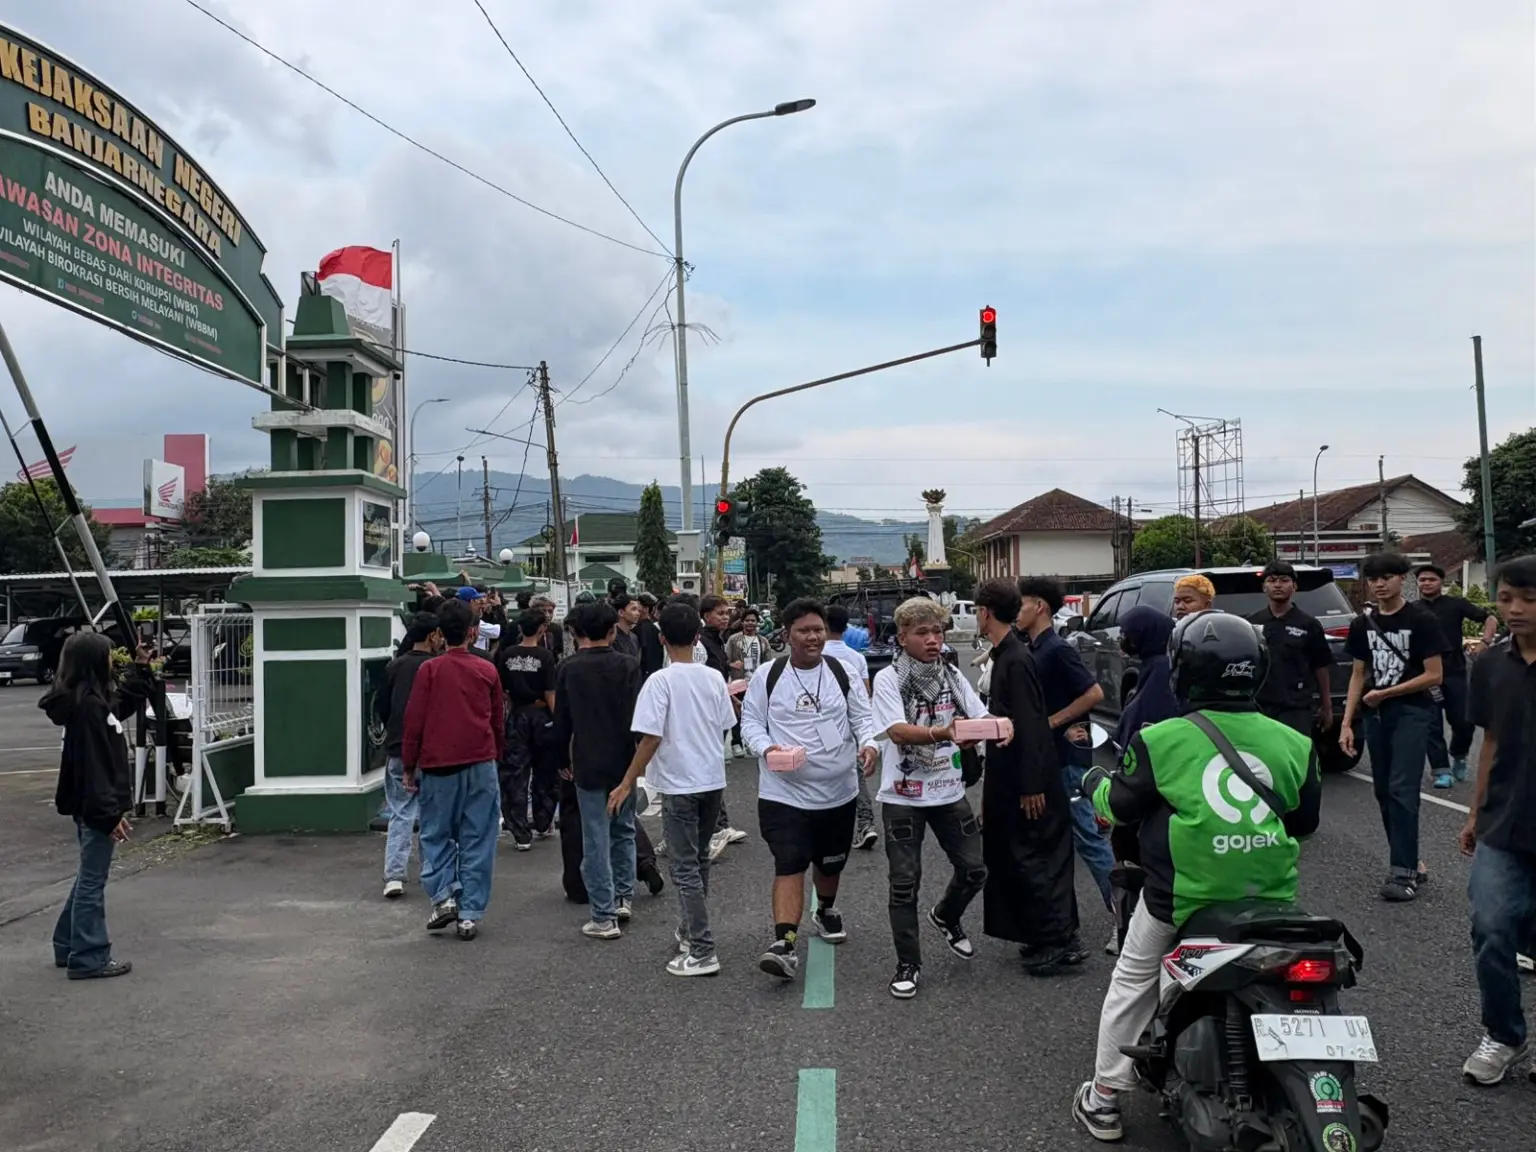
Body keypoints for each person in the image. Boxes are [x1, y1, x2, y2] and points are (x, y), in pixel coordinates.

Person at [1071, 610, 1321, 1143]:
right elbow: (1303, 822)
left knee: (1133, 982)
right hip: (1273, 899)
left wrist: (1094, 779)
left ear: (1183, 672)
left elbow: (1119, 805)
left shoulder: (1161, 740)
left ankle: (1105, 1099)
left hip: (1180, 900)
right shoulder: (1294, 742)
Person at [740, 597, 878, 981]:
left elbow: (862, 717)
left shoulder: (841, 671)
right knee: (790, 862)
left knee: (830, 862)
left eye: (818, 629)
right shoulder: (768, 676)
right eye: (804, 631)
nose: (813, 636)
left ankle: (826, 909)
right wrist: (767, 748)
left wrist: (870, 744)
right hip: (784, 792)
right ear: (788, 635)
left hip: (839, 791)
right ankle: (783, 944)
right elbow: (750, 723)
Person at [869, 597, 993, 998]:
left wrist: (1000, 728)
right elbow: (898, 732)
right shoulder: (889, 680)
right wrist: (943, 733)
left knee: (975, 869)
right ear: (902, 637)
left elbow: (977, 717)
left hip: (947, 789)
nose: (933, 640)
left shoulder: (953, 675)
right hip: (903, 794)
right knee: (904, 883)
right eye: (922, 633)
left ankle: (945, 914)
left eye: (937, 632)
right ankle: (908, 963)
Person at [608, 602, 737, 976]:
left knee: (683, 868)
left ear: (662, 638)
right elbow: (726, 721)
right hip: (712, 780)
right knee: (697, 863)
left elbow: (649, 739)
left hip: (680, 785)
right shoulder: (713, 677)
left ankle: (701, 948)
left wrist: (627, 781)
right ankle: (689, 929)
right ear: (697, 637)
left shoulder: (659, 681)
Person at [1458, 556, 1536, 1086]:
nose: (1515, 609)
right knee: (1490, 927)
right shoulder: (1489, 664)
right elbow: (1492, 742)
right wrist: (1474, 810)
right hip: (1504, 822)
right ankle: (1505, 1035)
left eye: (1529, 599)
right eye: (1506, 598)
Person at [974, 579, 1078, 973]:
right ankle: (1041, 933)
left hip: (1028, 776)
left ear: (984, 612)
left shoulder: (1015, 659)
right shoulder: (1007, 654)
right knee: (1019, 856)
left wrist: (1032, 783)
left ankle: (1058, 939)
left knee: (1037, 858)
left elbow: (1032, 723)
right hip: (1011, 771)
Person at [1340, 551, 1449, 902]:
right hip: (1375, 717)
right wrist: (1347, 723)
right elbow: (1358, 673)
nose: (1380, 583)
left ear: (1404, 579)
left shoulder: (1421, 619)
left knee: (1403, 790)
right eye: (1374, 578)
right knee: (1383, 791)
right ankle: (1410, 862)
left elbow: (1434, 675)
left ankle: (1402, 872)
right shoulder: (1363, 624)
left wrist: (1387, 692)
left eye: (1388, 577)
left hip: (1413, 712)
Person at [44, 632, 153, 980]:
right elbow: (96, 766)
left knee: (87, 877)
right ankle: (88, 955)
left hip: (88, 804)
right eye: (108, 656)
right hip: (96, 806)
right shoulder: (89, 708)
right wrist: (109, 815)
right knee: (92, 880)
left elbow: (117, 707)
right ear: (95, 662)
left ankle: (68, 944)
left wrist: (140, 669)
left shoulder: (85, 702)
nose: (112, 661)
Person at [401, 599, 504, 940]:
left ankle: (444, 896)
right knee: (478, 837)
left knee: (435, 834)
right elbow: (496, 720)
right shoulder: (487, 670)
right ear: (473, 632)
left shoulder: (428, 670)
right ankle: (470, 913)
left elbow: (414, 721)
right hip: (480, 761)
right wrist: (496, 755)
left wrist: (408, 765)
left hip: (438, 763)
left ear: (440, 634)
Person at [1016, 576, 1114, 937]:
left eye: (1021, 604)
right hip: (1050, 758)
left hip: (1069, 760)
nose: (1017, 612)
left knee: (1088, 839)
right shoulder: (1033, 646)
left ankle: (1127, 918)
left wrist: (1052, 722)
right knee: (1053, 841)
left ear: (1039, 606)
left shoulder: (1057, 649)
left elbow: (1094, 693)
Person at [553, 599, 644, 939]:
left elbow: (561, 721)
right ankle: (624, 897)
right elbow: (639, 718)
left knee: (595, 836)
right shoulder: (629, 666)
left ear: (578, 632)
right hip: (625, 761)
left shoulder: (568, 668)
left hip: (587, 762)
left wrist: (562, 760)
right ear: (611, 630)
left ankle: (603, 915)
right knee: (624, 830)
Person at [1417, 563, 1498, 789]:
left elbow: (1490, 619)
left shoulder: (1456, 605)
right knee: (1431, 725)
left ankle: (1459, 755)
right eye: (1422, 579)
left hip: (1455, 673)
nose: (1426, 583)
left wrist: (1485, 643)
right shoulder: (1413, 609)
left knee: (1463, 722)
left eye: (1431, 579)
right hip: (1425, 677)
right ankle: (1441, 771)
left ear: (1441, 582)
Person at [376, 611, 440, 896]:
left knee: (400, 812)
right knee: (431, 814)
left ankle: (394, 875)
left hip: (398, 748)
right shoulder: (436, 667)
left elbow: (383, 707)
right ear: (431, 636)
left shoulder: (395, 666)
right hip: (431, 750)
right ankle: (431, 871)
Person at [1247, 560, 1334, 737]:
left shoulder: (1308, 624)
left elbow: (1321, 667)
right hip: (1259, 707)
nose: (1278, 585)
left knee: (1296, 759)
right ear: (1264, 587)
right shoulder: (1252, 622)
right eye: (1272, 580)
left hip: (1296, 707)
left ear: (1294, 586)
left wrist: (1327, 706)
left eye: (1284, 580)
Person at [495, 609, 559, 850]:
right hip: (541, 716)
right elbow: (550, 693)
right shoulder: (545, 656)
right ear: (542, 629)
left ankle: (520, 830)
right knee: (545, 771)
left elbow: (502, 690)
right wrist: (559, 720)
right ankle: (542, 821)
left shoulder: (507, 655)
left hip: (517, 715)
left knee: (514, 772)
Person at [824, 604, 879, 850]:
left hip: (824, 725)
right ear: (846, 628)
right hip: (853, 724)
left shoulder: (815, 653)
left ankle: (838, 823)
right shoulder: (856, 657)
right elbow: (865, 693)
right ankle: (864, 822)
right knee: (854, 771)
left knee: (825, 770)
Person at [725, 607, 768, 755]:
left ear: (757, 623)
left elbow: (768, 663)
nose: (750, 623)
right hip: (738, 682)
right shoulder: (733, 640)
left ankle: (752, 743)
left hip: (756, 684)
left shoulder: (763, 641)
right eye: (747, 620)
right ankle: (736, 743)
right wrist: (731, 665)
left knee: (755, 714)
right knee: (737, 713)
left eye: (753, 621)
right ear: (742, 622)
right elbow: (725, 659)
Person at [636, 592, 665, 679]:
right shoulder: (656, 629)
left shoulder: (638, 629)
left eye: (637, 606)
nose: (636, 610)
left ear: (645, 609)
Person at [611, 592, 643, 661]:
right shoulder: (612, 638)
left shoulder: (634, 637)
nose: (638, 613)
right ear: (621, 612)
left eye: (638, 610)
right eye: (633, 609)